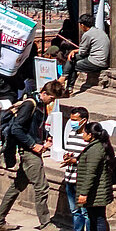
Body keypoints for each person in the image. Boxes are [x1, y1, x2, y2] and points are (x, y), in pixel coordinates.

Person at [0, 78, 66, 230]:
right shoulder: (31, 104)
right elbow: (17, 128)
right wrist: (33, 144)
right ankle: (45, 224)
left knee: (17, 186)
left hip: (33, 148)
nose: (52, 102)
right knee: (42, 187)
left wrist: (45, 137)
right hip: (28, 151)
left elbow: (34, 126)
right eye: (51, 98)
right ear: (44, 93)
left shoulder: (40, 105)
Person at [74, 121, 116, 231]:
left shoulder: (95, 150)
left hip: (96, 192)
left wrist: (83, 193)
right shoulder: (96, 147)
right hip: (97, 192)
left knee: (98, 219)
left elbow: (90, 173)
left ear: (90, 135)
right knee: (95, 218)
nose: (82, 134)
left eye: (84, 132)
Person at [63, 14, 109, 94]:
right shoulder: (99, 31)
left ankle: (68, 85)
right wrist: (75, 51)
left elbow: (83, 53)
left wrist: (75, 51)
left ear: (82, 25)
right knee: (73, 58)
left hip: (96, 62)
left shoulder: (87, 34)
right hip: (102, 59)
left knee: (73, 65)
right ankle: (64, 77)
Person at [61, 105, 89, 231]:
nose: (73, 123)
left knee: (85, 212)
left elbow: (90, 159)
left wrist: (76, 160)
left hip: (81, 179)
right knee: (75, 210)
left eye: (75, 120)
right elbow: (69, 150)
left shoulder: (88, 137)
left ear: (84, 120)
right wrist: (67, 157)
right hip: (69, 178)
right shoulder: (72, 134)